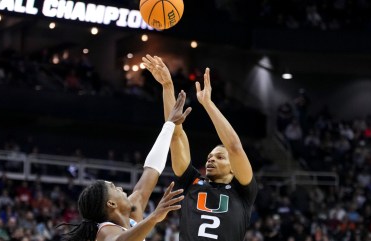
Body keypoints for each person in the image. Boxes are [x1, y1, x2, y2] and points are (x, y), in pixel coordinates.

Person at [143, 55, 258, 241]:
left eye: (220, 157)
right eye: (210, 156)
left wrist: (208, 104)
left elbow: (235, 147)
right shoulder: (191, 182)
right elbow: (175, 134)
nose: (211, 159)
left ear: (233, 168)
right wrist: (167, 86)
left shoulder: (243, 190)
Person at [59, 91, 192, 241]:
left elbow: (151, 170)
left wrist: (169, 126)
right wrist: (153, 217)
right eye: (114, 188)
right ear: (111, 203)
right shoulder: (104, 231)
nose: (121, 189)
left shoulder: (132, 217)